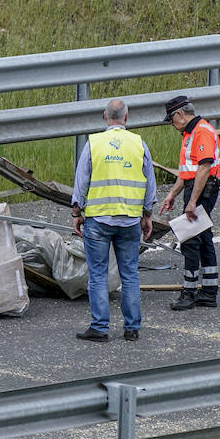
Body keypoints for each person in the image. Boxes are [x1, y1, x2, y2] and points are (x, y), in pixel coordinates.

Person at [71, 98, 157, 343]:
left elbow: (81, 182)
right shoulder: (139, 144)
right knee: (129, 273)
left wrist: (77, 213)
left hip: (99, 220)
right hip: (129, 220)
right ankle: (132, 328)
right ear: (127, 118)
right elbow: (149, 185)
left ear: (104, 116)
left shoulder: (93, 144)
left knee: (97, 274)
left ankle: (100, 328)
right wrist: (147, 215)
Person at [159, 96, 220, 310]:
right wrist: (173, 194)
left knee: (190, 240)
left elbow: (204, 168)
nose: (172, 124)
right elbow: (187, 171)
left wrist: (193, 201)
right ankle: (209, 292)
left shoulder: (201, 131)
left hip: (202, 190)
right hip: (195, 187)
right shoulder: (189, 133)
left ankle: (189, 292)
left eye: (171, 119)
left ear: (180, 114)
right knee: (203, 238)